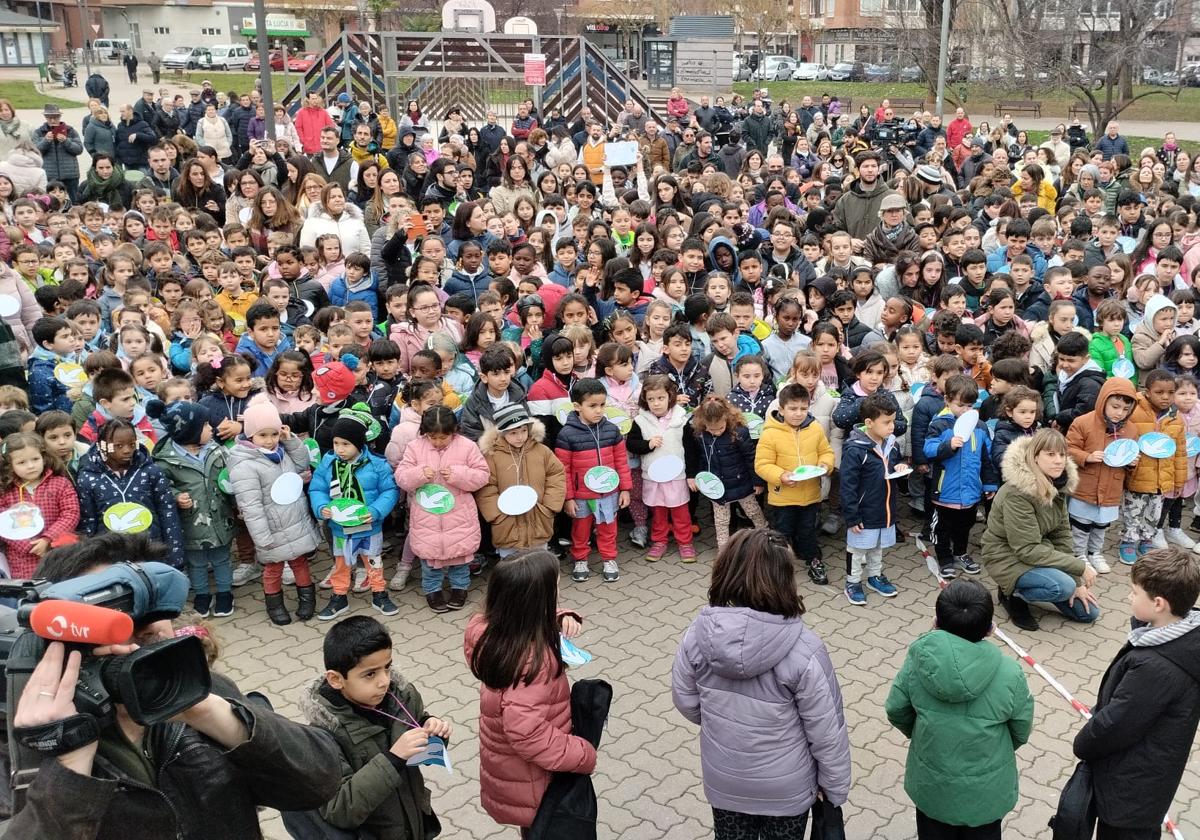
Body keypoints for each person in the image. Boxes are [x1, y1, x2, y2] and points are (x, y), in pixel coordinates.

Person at [6, 533, 342, 838]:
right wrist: (69, 771)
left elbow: (320, 782)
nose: (147, 630)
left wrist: (208, 711)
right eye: (114, 613)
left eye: (152, 609)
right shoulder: (22, 745)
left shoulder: (202, 692)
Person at [672, 528, 851, 839]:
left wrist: (722, 723)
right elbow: (826, 731)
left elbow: (685, 699)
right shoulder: (805, 649)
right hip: (787, 789)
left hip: (725, 779)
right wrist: (834, 787)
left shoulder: (697, 636)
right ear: (785, 579)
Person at [885, 579, 1035, 840]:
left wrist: (922, 734)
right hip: (986, 795)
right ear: (990, 628)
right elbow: (1021, 728)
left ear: (936, 621)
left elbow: (896, 709)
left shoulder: (917, 662)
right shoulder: (1010, 672)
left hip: (933, 790)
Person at [1071, 547, 1200, 840]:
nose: (1128, 597)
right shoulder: (1178, 636)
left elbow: (1118, 722)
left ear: (1158, 603)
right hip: (1150, 778)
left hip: (1130, 792)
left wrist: (1084, 742)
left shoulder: (1157, 667)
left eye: (1133, 592)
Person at [464, 549, 597, 833]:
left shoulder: (490, 631)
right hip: (537, 782)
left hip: (517, 775)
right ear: (535, 603)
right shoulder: (530, 663)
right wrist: (582, 753)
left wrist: (559, 618)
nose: (559, 594)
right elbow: (527, 733)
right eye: (555, 591)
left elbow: (524, 615)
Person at [306, 614, 450, 837]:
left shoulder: (402, 696)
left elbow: (418, 724)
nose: (384, 681)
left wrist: (432, 729)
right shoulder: (324, 734)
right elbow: (339, 809)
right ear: (336, 679)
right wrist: (393, 759)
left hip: (415, 825)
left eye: (387, 667)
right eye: (370, 674)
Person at [982, 429, 1101, 631]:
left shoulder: (1057, 485)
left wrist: (1077, 581)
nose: (1059, 461)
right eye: (1050, 454)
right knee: (1061, 587)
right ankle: (1012, 594)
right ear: (1035, 457)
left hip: (1037, 551)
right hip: (1006, 555)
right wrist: (1079, 567)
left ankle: (1047, 585)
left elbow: (1061, 535)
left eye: (1062, 455)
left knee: (1088, 613)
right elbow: (1026, 548)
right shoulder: (1017, 494)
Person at [227, 397, 321, 626]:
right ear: (250, 436)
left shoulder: (282, 451)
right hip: (271, 527)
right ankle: (274, 604)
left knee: (300, 562)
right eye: (263, 435)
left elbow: (301, 466)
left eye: (274, 434)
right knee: (273, 568)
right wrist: (261, 537)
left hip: (294, 520)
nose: (270, 441)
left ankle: (307, 599)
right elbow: (251, 506)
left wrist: (291, 442)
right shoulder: (245, 465)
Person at [395, 405, 489, 612]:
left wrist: (458, 474)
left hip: (459, 514)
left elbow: (482, 475)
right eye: (432, 437)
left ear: (454, 431)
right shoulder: (414, 447)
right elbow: (401, 477)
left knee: (460, 556)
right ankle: (432, 589)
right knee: (430, 558)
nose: (437, 442)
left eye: (443, 438)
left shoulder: (467, 446)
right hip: (427, 515)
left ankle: (460, 588)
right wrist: (419, 474)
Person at [149, 400, 236, 618]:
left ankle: (225, 593)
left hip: (220, 518)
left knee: (222, 558)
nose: (211, 429)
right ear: (190, 432)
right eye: (205, 425)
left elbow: (230, 476)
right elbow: (161, 487)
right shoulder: (165, 461)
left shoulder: (217, 450)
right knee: (196, 562)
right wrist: (176, 496)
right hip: (191, 522)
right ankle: (202, 594)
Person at [311, 412, 401, 619]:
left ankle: (379, 593)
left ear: (359, 444)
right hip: (340, 528)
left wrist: (376, 511)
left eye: (346, 444)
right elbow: (317, 488)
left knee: (373, 561)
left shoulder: (377, 465)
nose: (340, 449)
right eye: (336, 443)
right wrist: (321, 507)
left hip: (369, 526)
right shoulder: (329, 463)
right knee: (341, 562)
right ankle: (339, 596)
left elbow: (390, 491)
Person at [755, 383, 836, 585]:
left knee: (808, 531)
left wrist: (825, 465)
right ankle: (777, 567)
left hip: (810, 495)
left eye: (803, 408)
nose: (798, 413)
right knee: (781, 533)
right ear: (781, 409)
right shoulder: (770, 433)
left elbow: (826, 452)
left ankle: (813, 560)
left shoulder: (815, 428)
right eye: (792, 409)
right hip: (782, 498)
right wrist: (781, 475)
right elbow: (762, 465)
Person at [555, 378, 633, 583]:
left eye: (602, 405)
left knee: (608, 528)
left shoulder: (612, 430)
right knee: (580, 529)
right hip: (581, 495)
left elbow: (621, 462)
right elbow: (563, 470)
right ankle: (580, 559)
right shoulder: (567, 434)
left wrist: (625, 488)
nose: (599, 411)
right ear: (577, 406)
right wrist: (568, 498)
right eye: (592, 406)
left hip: (609, 492)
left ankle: (609, 558)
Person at [839, 392, 904, 606]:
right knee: (857, 549)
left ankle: (875, 576)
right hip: (863, 512)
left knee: (878, 546)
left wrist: (900, 466)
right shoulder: (856, 449)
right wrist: (852, 516)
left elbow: (892, 465)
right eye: (886, 422)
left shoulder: (891, 444)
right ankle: (852, 581)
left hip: (884, 510)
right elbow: (847, 485)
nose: (892, 426)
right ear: (869, 423)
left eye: (893, 421)